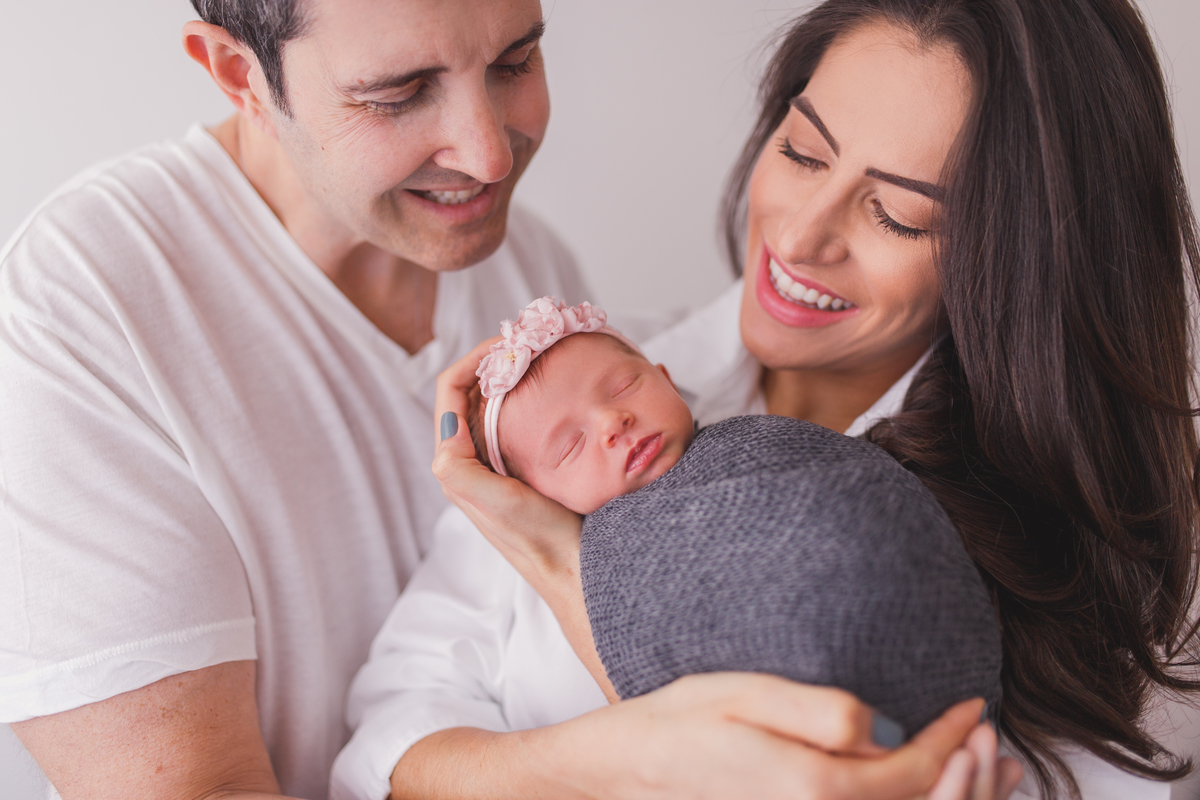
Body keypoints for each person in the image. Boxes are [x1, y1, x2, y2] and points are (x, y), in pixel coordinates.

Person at [0, 1, 1001, 799]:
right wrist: (627, 757)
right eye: (400, 94)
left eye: (516, 60)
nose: (488, 155)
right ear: (238, 75)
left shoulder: (523, 261)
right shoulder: (93, 302)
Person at [430, 0, 1200, 798]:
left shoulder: (1083, 576)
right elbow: (386, 752)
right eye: (802, 153)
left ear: (1024, 269)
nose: (798, 239)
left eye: (897, 216)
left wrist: (567, 576)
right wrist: (609, 746)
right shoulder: (560, 417)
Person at [329, 297, 1005, 800]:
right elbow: (387, 741)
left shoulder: (762, 449)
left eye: (623, 386)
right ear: (530, 488)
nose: (613, 422)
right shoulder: (503, 533)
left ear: (661, 371)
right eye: (567, 447)